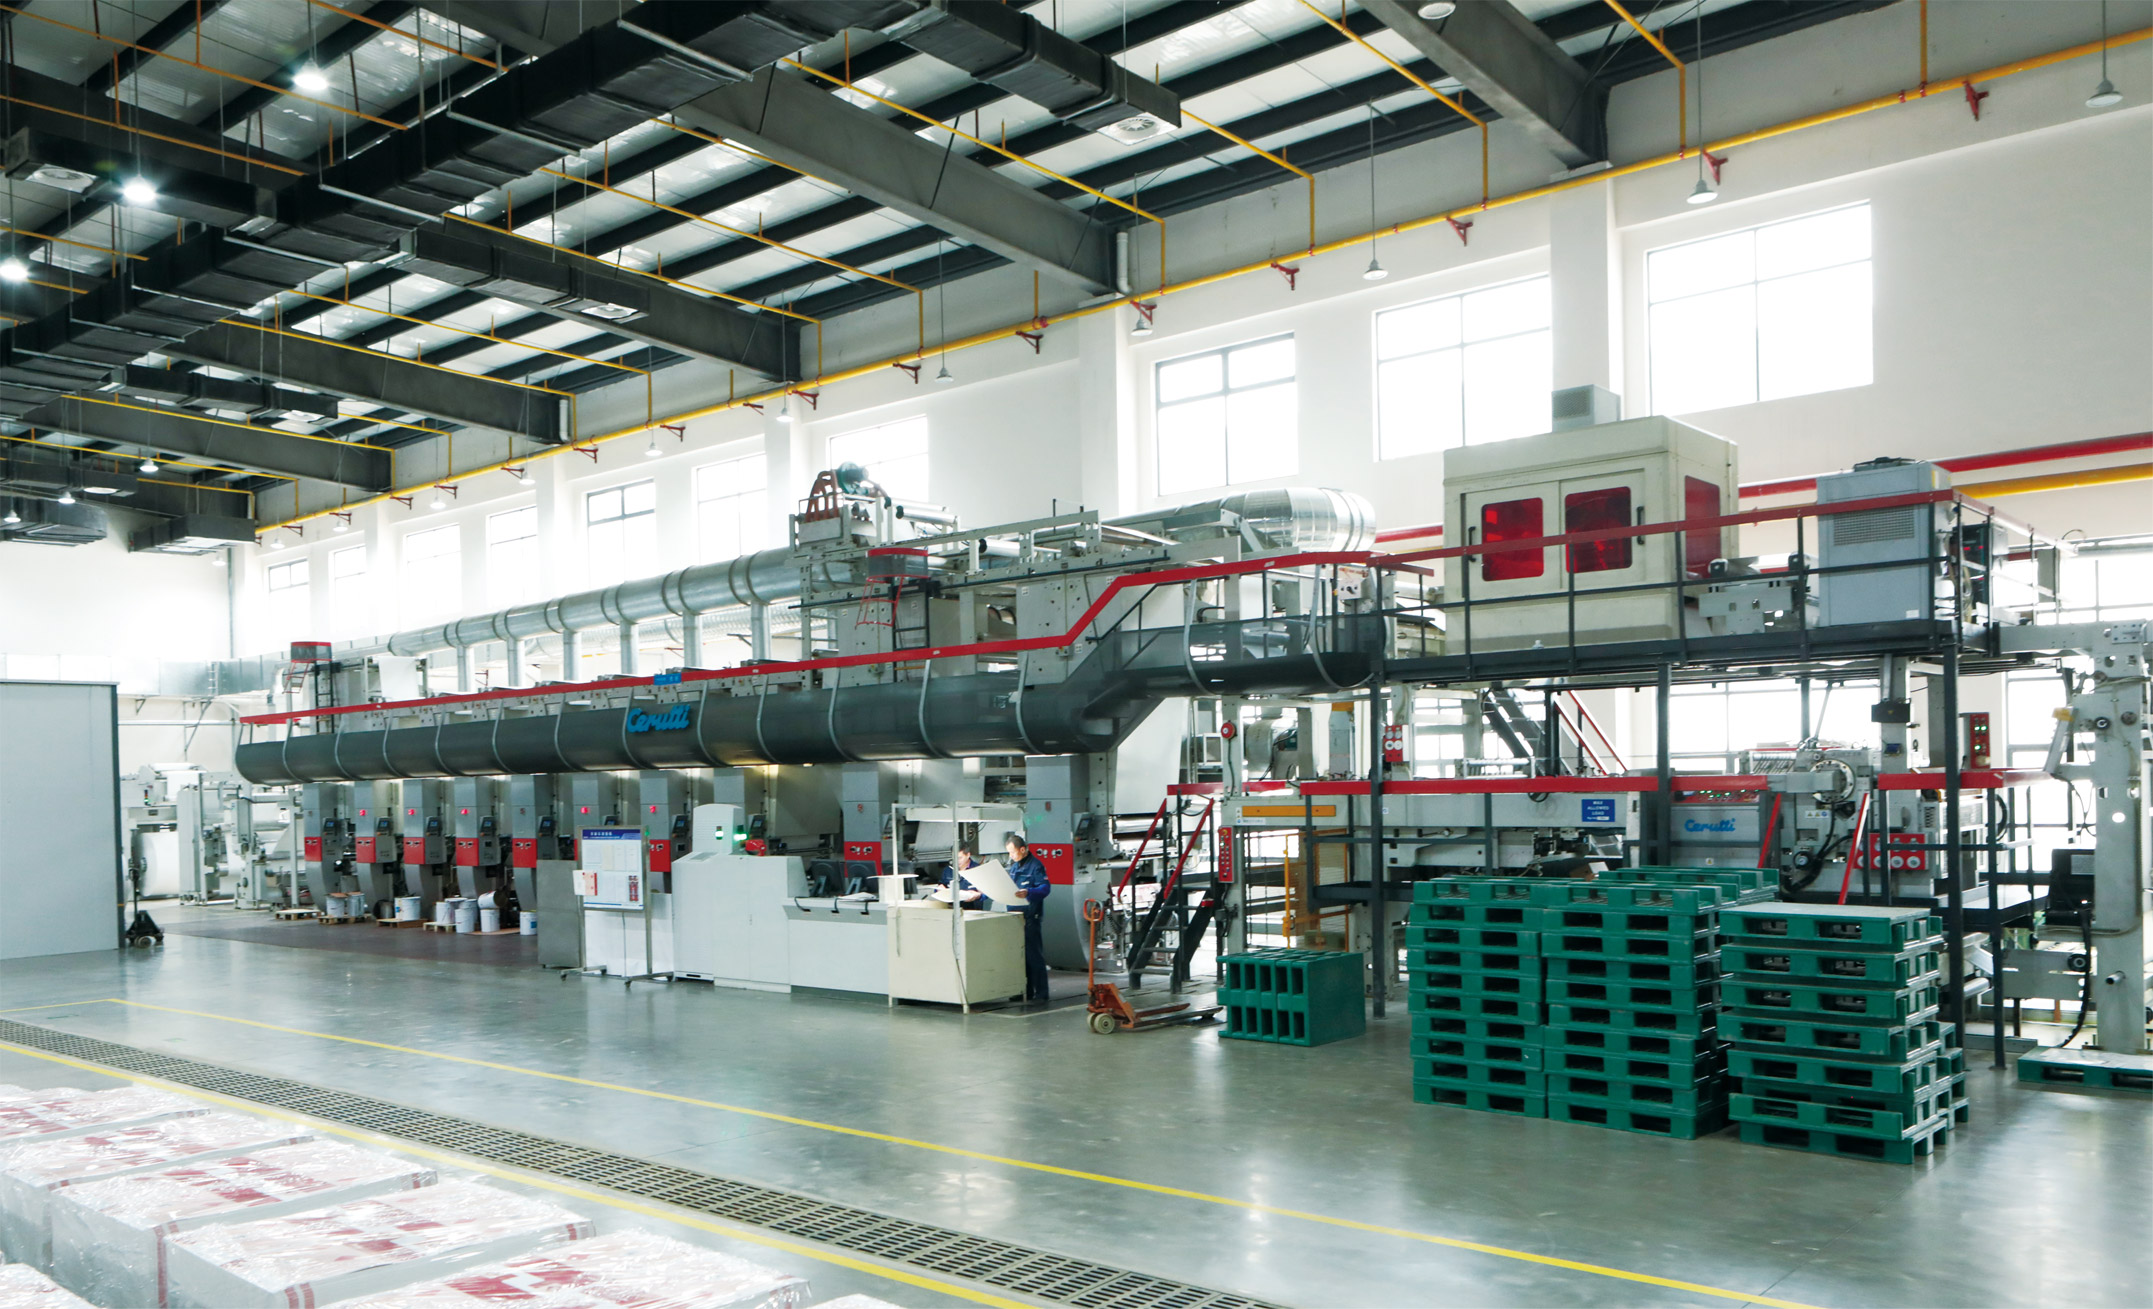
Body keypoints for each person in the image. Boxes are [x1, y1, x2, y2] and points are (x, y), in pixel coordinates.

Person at [1004, 833, 1051, 1004]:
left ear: (1022, 850)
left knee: (1034, 955)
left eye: (1012, 852)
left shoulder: (1035, 866)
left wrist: (1029, 892)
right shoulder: (1015, 866)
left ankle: (1042, 993)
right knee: (1020, 956)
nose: (1011, 856)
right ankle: (1025, 990)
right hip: (1015, 915)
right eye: (1009, 853)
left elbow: (1045, 888)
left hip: (1030, 916)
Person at [926, 843, 988, 909]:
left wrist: (979, 895)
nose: (957, 861)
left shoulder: (978, 870)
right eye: (954, 858)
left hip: (973, 910)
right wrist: (938, 889)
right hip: (951, 909)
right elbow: (941, 885)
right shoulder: (948, 870)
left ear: (968, 855)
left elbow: (988, 894)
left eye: (960, 858)